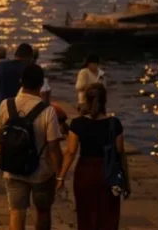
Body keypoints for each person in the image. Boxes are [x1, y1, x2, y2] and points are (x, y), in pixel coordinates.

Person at [0, 64, 63, 230]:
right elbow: (54, 147)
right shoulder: (48, 111)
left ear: (21, 82)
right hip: (41, 172)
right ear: (41, 85)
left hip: (12, 169)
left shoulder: (6, 105)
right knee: (42, 211)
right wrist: (59, 173)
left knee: (16, 212)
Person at [57, 83, 129, 230]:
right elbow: (120, 153)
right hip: (108, 173)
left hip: (85, 172)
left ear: (86, 100)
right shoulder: (114, 124)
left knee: (85, 214)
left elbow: (70, 152)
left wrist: (61, 177)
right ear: (104, 101)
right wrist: (126, 182)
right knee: (108, 215)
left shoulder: (77, 124)